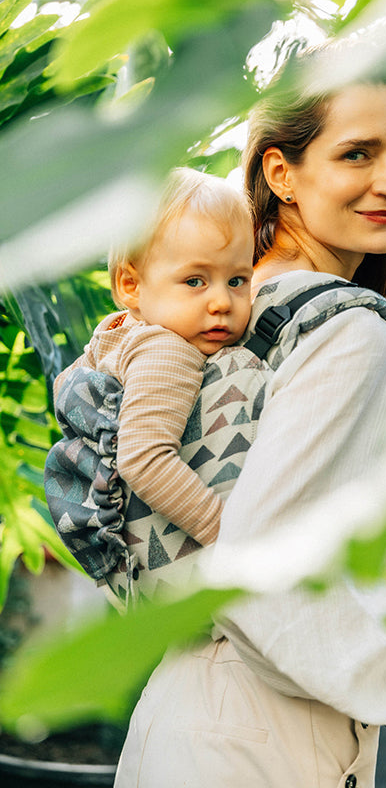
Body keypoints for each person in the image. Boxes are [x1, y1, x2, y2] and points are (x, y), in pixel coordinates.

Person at [114, 43, 386, 787]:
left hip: (187, 711)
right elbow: (259, 562)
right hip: (264, 737)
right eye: (356, 154)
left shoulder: (213, 307)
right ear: (279, 173)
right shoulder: (348, 328)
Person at [52, 168, 254, 598]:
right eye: (195, 281)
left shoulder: (115, 332)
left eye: (237, 280)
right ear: (130, 285)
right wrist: (229, 537)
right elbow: (144, 459)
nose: (222, 301)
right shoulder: (167, 351)